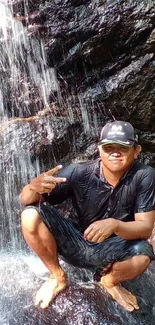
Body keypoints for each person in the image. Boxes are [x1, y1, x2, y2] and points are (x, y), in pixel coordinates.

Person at [20, 120, 155, 312]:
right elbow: (27, 200)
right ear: (99, 149)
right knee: (30, 215)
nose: (115, 152)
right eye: (109, 147)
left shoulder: (144, 175)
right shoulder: (79, 171)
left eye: (123, 148)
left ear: (136, 150)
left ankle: (109, 281)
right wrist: (32, 186)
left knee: (143, 256)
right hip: (77, 241)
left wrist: (115, 225)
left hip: (113, 250)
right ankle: (57, 276)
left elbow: (145, 228)